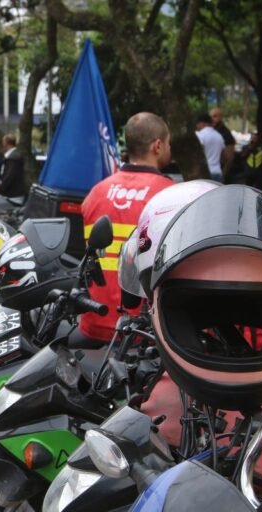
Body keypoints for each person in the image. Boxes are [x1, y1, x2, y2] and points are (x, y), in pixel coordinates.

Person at [79, 112, 175, 342]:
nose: (169, 148)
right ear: (157, 146)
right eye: (168, 143)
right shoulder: (171, 195)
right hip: (143, 332)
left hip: (95, 321)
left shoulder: (97, 192)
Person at [195, 113, 226, 181]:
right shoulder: (219, 136)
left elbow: (198, 154)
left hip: (204, 172)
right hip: (217, 172)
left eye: (197, 124)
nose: (196, 126)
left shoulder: (199, 135)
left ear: (202, 123)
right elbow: (223, 157)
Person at [0, 133, 26, 198]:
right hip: (11, 192)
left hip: (12, 194)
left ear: (6, 143)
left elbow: (9, 176)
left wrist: (0, 187)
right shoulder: (13, 156)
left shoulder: (13, 158)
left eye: (3, 141)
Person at [210, 107, 237, 173]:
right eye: (210, 117)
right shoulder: (209, 131)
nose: (212, 119)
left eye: (215, 116)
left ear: (220, 117)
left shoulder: (226, 134)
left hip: (219, 170)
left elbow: (229, 158)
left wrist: (223, 174)